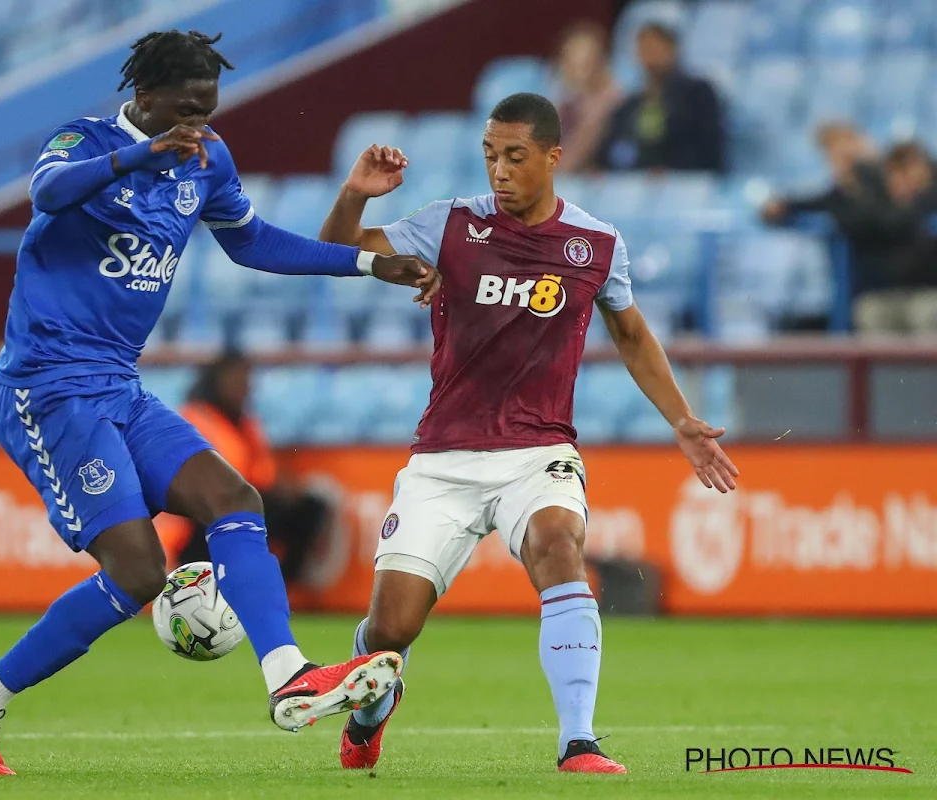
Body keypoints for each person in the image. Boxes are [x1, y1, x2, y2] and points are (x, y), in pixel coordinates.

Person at [0, 30, 438, 777]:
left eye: (209, 108)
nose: (199, 123)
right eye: (187, 108)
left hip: (118, 384)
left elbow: (252, 241)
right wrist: (144, 153)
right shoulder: (86, 140)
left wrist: (365, 262)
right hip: (47, 387)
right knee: (135, 573)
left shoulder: (208, 159)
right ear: (146, 96)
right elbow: (46, 192)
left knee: (235, 497)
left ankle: (288, 676)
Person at [318, 92, 738, 774]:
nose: (499, 171)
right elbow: (332, 255)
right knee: (392, 630)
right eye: (490, 156)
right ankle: (370, 712)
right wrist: (354, 195)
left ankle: (579, 741)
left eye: (515, 157)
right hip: (444, 459)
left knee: (557, 545)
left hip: (538, 453)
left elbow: (630, 333)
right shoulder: (449, 225)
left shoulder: (596, 245)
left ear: (553, 157)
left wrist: (681, 420)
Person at [176, 352, 332, 586]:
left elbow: (263, 472)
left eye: (247, 382)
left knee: (309, 507)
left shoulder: (247, 422)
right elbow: (219, 473)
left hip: (243, 500)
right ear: (217, 381)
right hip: (198, 515)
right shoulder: (196, 416)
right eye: (239, 381)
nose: (245, 388)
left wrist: (285, 490)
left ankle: (284, 585)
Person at [762, 129, 937, 333]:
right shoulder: (857, 200)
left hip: (927, 293)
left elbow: (898, 219)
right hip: (880, 295)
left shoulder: (926, 198)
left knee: (927, 314)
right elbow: (812, 203)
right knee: (871, 314)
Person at [595, 22, 724, 173]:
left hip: (686, 181)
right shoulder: (629, 105)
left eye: (656, 48)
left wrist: (671, 170)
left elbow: (708, 146)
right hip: (636, 183)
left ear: (673, 50)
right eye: (645, 49)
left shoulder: (697, 94)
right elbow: (613, 150)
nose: (650, 56)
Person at [553, 21, 622, 174]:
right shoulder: (568, 100)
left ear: (601, 62)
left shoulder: (611, 100)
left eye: (585, 63)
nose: (578, 71)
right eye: (571, 62)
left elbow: (578, 152)